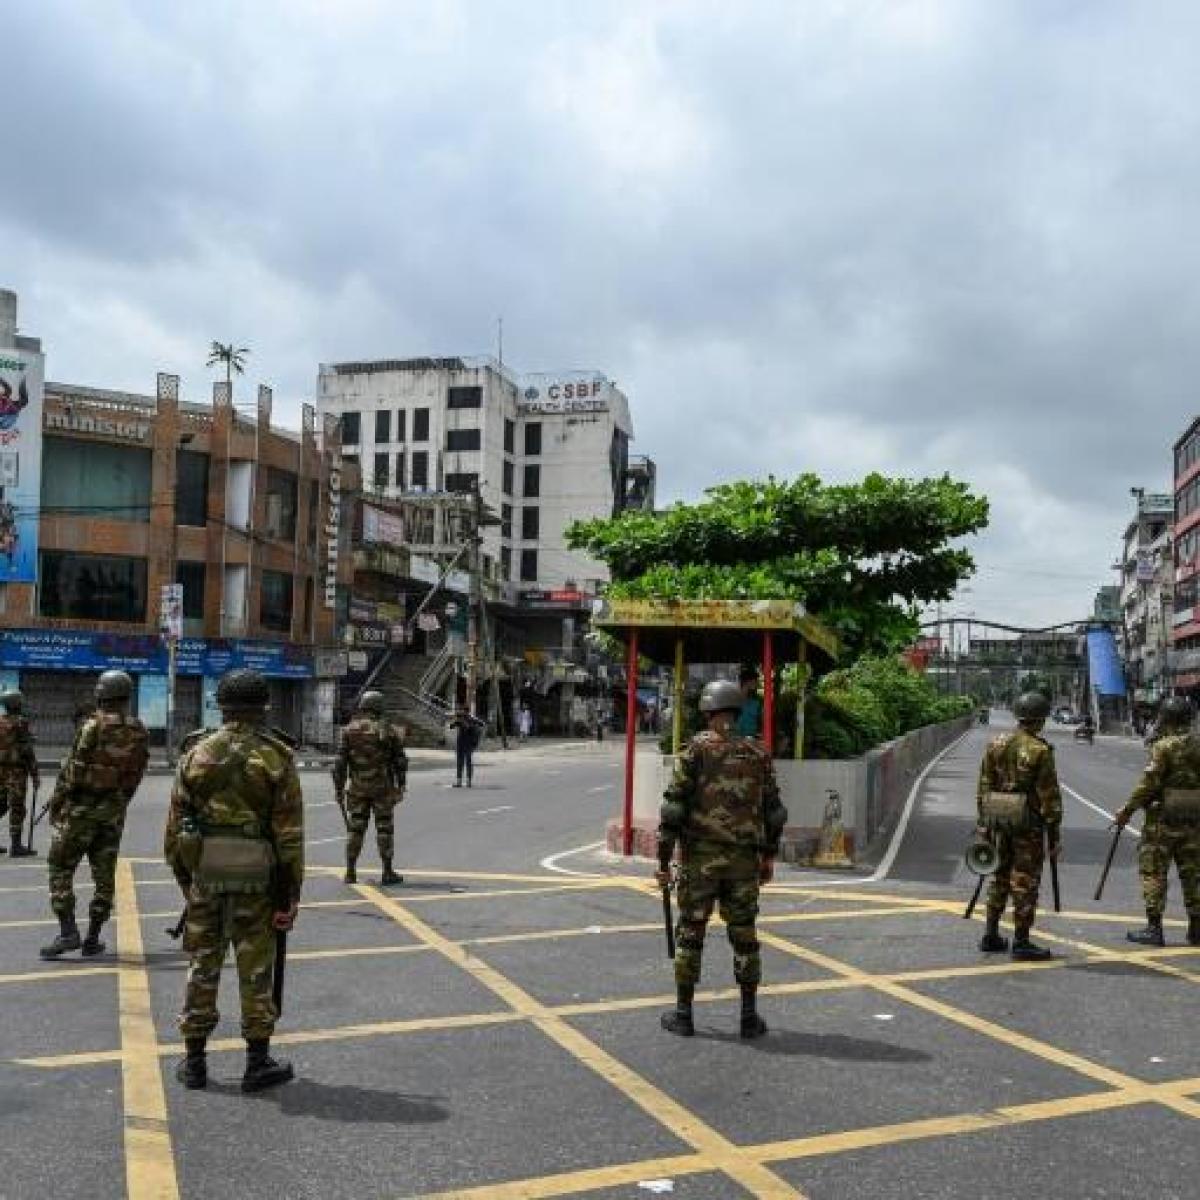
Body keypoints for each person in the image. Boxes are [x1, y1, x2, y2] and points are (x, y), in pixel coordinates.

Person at [164, 668, 303, 1092]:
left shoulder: (195, 754)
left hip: (206, 877)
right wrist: (288, 898)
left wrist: (189, 884)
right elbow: (289, 840)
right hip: (257, 883)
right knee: (256, 969)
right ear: (264, 707)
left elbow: (174, 835)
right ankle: (256, 1063)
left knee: (202, 966)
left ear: (221, 706)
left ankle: (194, 1063)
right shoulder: (277, 758)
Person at [656, 679, 787, 1039]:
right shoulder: (758, 754)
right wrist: (769, 856)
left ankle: (684, 1015)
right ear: (735, 712)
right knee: (745, 937)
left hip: (700, 861)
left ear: (709, 712)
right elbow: (775, 814)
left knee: (690, 935)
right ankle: (748, 1017)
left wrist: (664, 862)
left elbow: (672, 810)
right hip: (744, 863)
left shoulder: (694, 753)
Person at [40, 671, 149, 958]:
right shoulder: (139, 729)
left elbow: (72, 774)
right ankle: (92, 938)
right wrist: (119, 801)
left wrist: (58, 803)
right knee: (104, 876)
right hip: (113, 813)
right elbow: (136, 774)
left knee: (60, 867)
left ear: (101, 694)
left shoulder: (92, 727)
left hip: (80, 811)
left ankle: (68, 932)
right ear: (127, 696)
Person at [975, 691, 1063, 962]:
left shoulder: (995, 743)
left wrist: (983, 822)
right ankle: (1022, 940)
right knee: (1024, 879)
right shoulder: (1040, 750)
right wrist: (1054, 835)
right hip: (1027, 825)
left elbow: (984, 786)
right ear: (1041, 719)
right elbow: (1049, 797)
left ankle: (991, 934)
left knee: (998, 875)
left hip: (998, 819)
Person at [1114, 695, 1200, 948]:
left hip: (1162, 822)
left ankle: (1154, 929)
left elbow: (1147, 784)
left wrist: (1127, 810)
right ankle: (1197, 928)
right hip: (1194, 821)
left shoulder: (1163, 747)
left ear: (1167, 719)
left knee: (1154, 872)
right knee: (1194, 874)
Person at [333, 690, 407, 886]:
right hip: (382, 789)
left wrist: (338, 789)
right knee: (384, 829)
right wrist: (402, 784)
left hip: (357, 789)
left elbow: (339, 763)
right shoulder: (389, 730)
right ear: (378, 707)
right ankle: (387, 871)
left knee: (355, 829)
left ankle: (350, 871)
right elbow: (400, 761)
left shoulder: (349, 730)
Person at [0, 690, 39, 857]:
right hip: (16, 771)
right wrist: (35, 774)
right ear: (16, 704)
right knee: (17, 807)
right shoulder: (21, 723)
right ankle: (16, 846)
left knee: (0, 805)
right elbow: (27, 750)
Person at [449, 703, 479, 787]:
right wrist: (455, 720)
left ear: (467, 712)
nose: (462, 713)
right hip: (461, 744)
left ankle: (469, 781)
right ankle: (459, 781)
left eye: (463, 712)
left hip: (469, 744)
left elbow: (472, 729)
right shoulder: (460, 719)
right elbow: (451, 726)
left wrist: (464, 723)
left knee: (468, 762)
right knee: (459, 762)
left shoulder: (472, 720)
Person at [734, 667, 763, 738]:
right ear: (748, 682)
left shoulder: (756, 703)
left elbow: (760, 722)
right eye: (755, 681)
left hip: (752, 740)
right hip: (736, 740)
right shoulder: (733, 701)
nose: (757, 683)